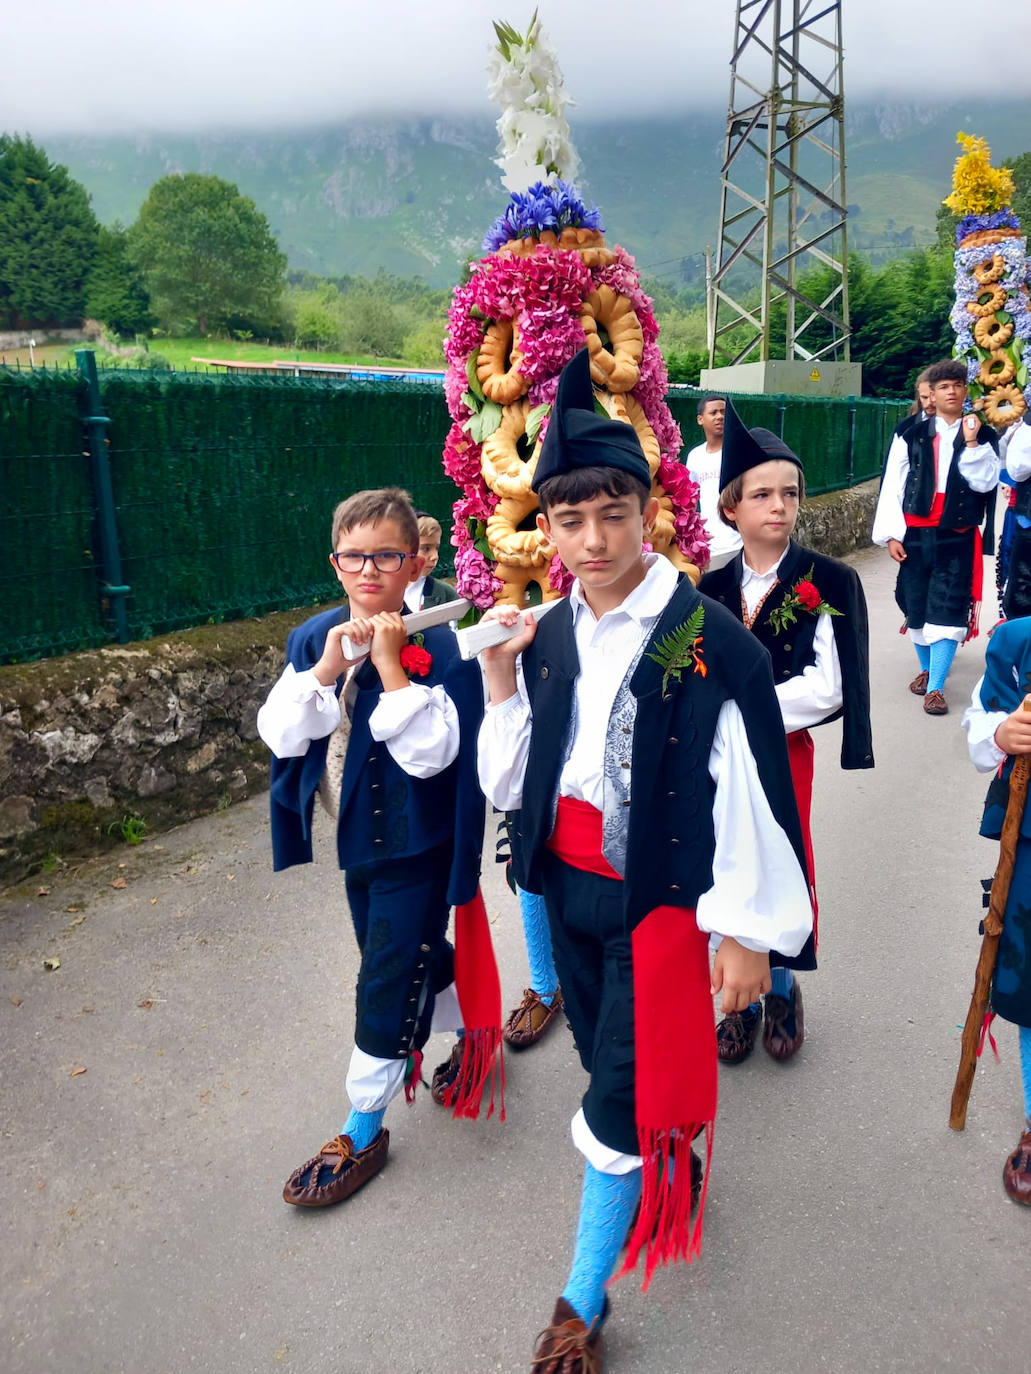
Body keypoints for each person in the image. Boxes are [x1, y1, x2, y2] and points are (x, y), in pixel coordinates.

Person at [477, 349, 813, 1371]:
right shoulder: (542, 637)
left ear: (648, 512)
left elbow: (754, 796)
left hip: (662, 902)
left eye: (609, 515)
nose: (588, 541)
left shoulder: (709, 642)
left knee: (614, 1097)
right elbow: (511, 783)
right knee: (600, 1061)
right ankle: (662, 1152)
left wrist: (751, 936)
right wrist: (497, 676)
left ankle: (579, 1302)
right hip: (569, 885)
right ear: (547, 525)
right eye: (566, 520)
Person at [257, 487, 489, 1208]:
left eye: (385, 556)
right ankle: (473, 1034)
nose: (369, 571)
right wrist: (327, 668)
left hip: (420, 840)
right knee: (399, 952)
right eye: (354, 557)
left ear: (413, 559)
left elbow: (433, 756)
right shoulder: (316, 635)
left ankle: (361, 1126)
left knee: (383, 975)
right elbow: (282, 734)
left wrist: (391, 666)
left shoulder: (446, 641)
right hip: (356, 837)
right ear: (335, 563)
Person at [698, 401, 873, 1065]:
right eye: (761, 494)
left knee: (777, 854)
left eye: (789, 492)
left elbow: (827, 686)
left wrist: (744, 706)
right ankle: (732, 991)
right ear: (730, 508)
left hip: (779, 752)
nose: (779, 505)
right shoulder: (707, 587)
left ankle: (778, 985)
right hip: (711, 755)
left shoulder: (825, 580)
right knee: (719, 856)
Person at [872, 358, 1000, 715]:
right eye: (945, 386)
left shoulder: (983, 433)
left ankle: (936, 687)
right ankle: (928, 668)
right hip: (914, 532)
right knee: (915, 603)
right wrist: (891, 535)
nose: (952, 392)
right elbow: (893, 484)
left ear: (966, 391)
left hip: (956, 534)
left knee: (947, 606)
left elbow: (986, 482)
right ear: (934, 392)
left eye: (958, 386)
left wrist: (972, 443)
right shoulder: (909, 431)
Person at [962, 613, 1031, 1205]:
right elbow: (981, 723)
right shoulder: (1017, 641)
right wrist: (1002, 734)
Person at [683, 394, 743, 571]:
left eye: (724, 412)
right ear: (700, 419)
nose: (720, 416)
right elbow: (690, 500)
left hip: (739, 544)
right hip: (709, 547)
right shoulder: (695, 456)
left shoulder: (738, 452)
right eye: (714, 412)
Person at [404, 512, 464, 612]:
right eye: (426, 548)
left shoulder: (446, 594)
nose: (434, 557)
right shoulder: (382, 591)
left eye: (437, 548)